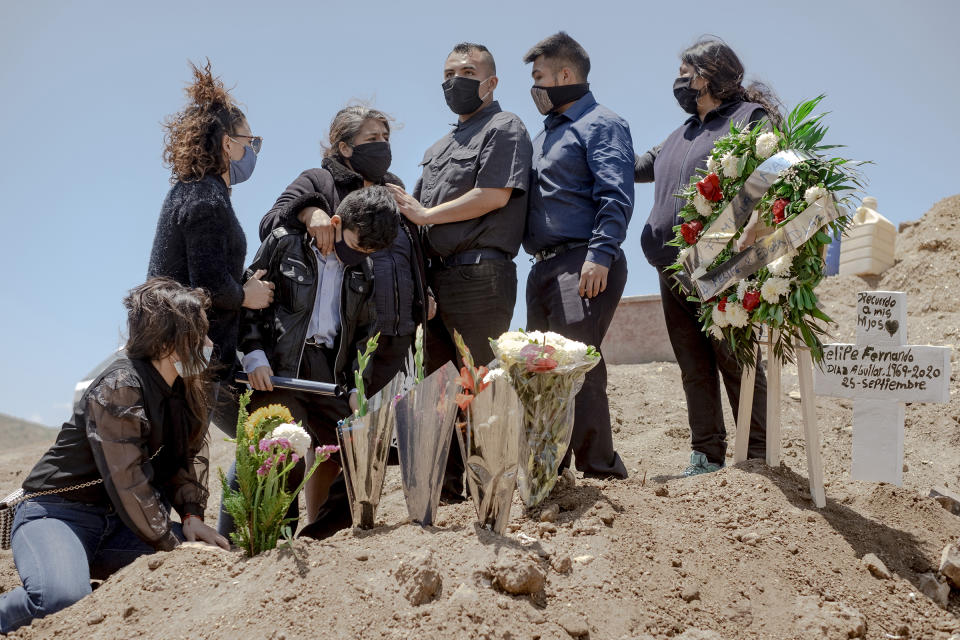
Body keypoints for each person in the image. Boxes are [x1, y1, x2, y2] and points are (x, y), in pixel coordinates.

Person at [0, 278, 228, 634]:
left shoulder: (183, 390)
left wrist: (191, 516)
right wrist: (171, 544)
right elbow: (129, 480)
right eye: (201, 333)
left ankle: (77, 572)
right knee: (59, 601)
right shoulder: (120, 385)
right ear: (170, 342)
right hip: (59, 515)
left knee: (209, 559)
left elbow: (184, 462)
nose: (210, 344)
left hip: (122, 526)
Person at [388, 42, 533, 501]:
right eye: (449, 73)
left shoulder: (505, 127)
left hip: (480, 276)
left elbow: (494, 195)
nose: (456, 81)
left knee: (482, 384)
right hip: (436, 281)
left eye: (468, 72)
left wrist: (426, 216)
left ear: (491, 82)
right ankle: (447, 493)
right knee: (438, 390)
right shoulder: (438, 147)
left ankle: (491, 492)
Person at [635, 38, 781, 475]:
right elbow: (639, 166)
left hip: (720, 266)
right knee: (693, 364)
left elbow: (775, 173)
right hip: (670, 270)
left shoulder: (748, 119)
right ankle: (706, 456)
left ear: (710, 74)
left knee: (734, 359)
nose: (679, 83)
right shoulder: (678, 135)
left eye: (685, 73)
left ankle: (758, 456)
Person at [238, 186, 399, 534]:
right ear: (337, 223)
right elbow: (251, 297)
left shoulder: (365, 271)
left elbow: (365, 336)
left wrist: (358, 386)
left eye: (370, 251)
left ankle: (321, 537)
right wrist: (253, 353)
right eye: (357, 245)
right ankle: (275, 541)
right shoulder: (284, 243)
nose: (361, 255)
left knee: (363, 451)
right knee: (285, 447)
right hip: (280, 366)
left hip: (330, 374)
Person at [258, 105, 432, 398]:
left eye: (385, 137)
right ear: (345, 147)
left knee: (392, 434)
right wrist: (310, 211)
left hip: (401, 333)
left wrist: (425, 292)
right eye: (372, 137)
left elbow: (411, 250)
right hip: (353, 338)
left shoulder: (395, 189)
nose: (383, 144)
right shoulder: (319, 180)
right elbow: (270, 222)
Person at [522, 32, 633, 480]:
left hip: (581, 262)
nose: (534, 87)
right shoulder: (544, 136)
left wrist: (600, 254)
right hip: (543, 267)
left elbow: (615, 193)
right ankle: (553, 467)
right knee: (543, 369)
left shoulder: (601, 124)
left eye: (539, 77)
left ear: (565, 75)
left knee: (577, 363)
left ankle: (600, 468)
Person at [147, 60, 275, 432]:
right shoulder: (206, 199)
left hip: (186, 352)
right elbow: (208, 285)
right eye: (251, 141)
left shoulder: (196, 192)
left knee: (258, 442)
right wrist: (246, 294)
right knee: (263, 444)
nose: (253, 150)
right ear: (227, 143)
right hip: (191, 356)